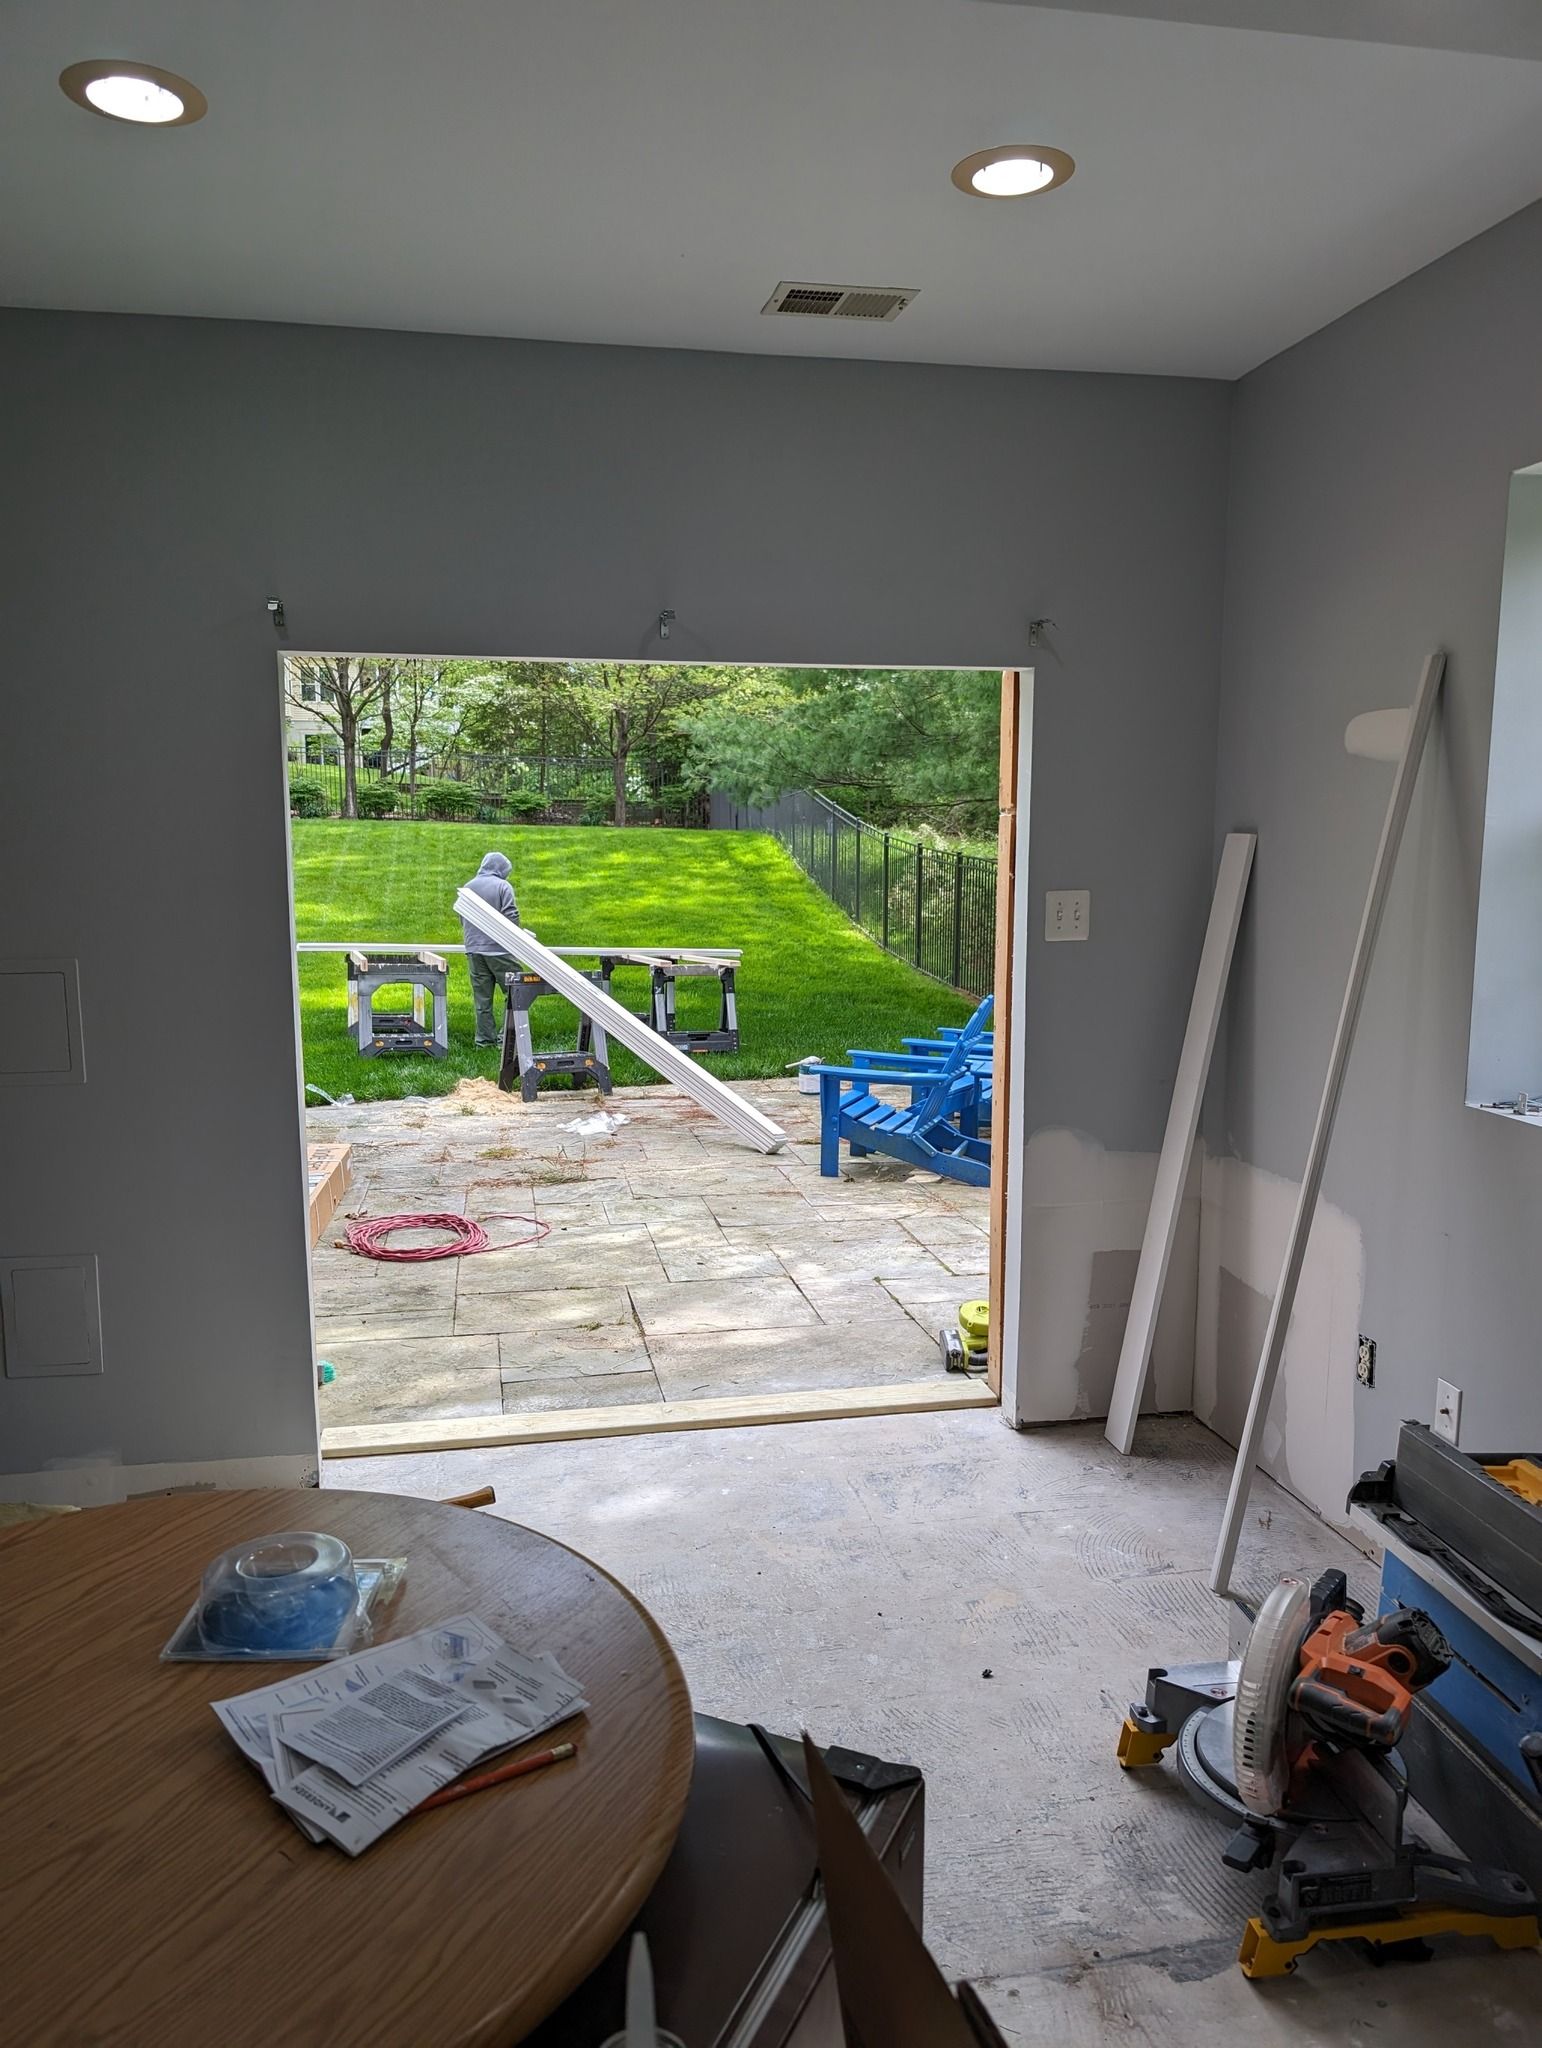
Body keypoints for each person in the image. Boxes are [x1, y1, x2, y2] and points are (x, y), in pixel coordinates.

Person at [460, 851, 521, 1047]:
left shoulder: (468, 887)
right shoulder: (503, 886)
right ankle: (508, 1038)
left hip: (474, 950)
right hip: (499, 950)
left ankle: (484, 1040)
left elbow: (463, 916)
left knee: (482, 1000)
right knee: (516, 992)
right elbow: (511, 915)